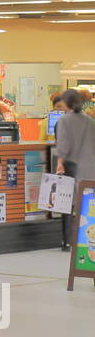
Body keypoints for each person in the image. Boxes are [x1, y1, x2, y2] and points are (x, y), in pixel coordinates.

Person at [55, 89, 95, 250]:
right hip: (89, 167)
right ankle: (88, 240)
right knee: (88, 205)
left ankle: (69, 241)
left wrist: (59, 162)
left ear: (66, 102)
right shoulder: (89, 120)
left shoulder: (65, 120)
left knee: (69, 205)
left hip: (71, 165)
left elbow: (63, 146)